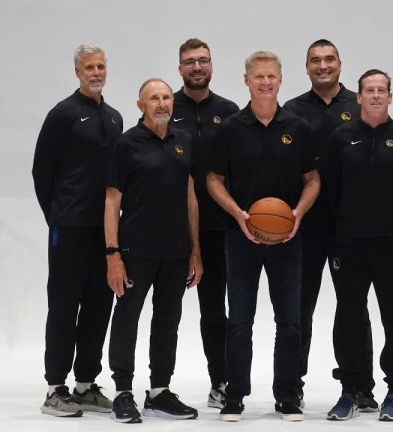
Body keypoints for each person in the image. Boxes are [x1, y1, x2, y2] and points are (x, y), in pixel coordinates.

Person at [206, 50, 320, 422]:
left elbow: (313, 180)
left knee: (290, 320)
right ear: (246, 81)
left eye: (272, 76)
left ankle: (287, 396)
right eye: (259, 77)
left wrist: (298, 214)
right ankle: (235, 395)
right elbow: (213, 180)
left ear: (280, 81)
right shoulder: (231, 128)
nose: (266, 82)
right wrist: (238, 214)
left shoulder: (297, 127)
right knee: (239, 319)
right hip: (241, 238)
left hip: (288, 240)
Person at [283, 39, 377, 412]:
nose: (322, 66)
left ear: (340, 64)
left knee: (353, 306)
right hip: (302, 226)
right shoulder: (291, 110)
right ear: (306, 68)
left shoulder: (358, 104)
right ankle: (292, 384)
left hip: (349, 228)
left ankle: (361, 385)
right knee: (298, 309)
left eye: (329, 59)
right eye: (315, 61)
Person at [324, 69, 393, 422]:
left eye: (382, 90)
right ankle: (349, 390)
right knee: (348, 316)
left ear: (391, 97)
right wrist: (346, 228)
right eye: (370, 90)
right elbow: (332, 190)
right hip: (349, 243)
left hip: (392, 242)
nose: (376, 95)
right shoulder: (341, 138)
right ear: (359, 97)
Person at [104, 78, 203, 423]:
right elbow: (112, 200)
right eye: (154, 99)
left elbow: (190, 197)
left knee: (167, 321)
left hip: (175, 252)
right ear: (140, 105)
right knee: (127, 318)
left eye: (165, 98)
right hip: (135, 251)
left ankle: (159, 391)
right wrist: (112, 254)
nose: (162, 103)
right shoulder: (126, 144)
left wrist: (196, 250)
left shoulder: (184, 142)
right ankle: (122, 392)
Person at [32, 43, 122, 418]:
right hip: (69, 227)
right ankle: (56, 388)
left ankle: (85, 384)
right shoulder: (63, 114)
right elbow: (41, 171)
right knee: (65, 306)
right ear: (78, 73)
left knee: (99, 306)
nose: (96, 72)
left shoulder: (115, 117)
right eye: (90, 67)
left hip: (105, 231)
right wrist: (57, 217)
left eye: (101, 66)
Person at [170, 38, 240, 409]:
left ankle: (221, 381)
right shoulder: (166, 106)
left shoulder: (229, 112)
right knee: (165, 309)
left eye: (203, 61)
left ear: (211, 66)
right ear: (179, 68)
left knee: (214, 309)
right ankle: (153, 386)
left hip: (217, 228)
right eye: (189, 62)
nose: (197, 67)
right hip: (169, 228)